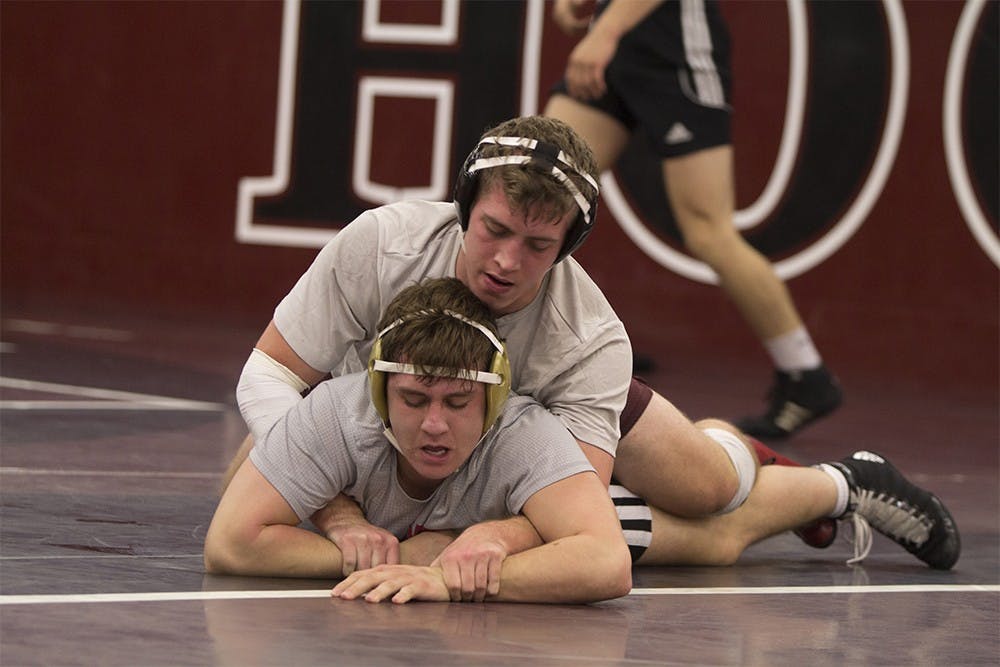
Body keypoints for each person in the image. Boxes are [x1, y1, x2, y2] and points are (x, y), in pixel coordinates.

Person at [228, 114, 787, 568]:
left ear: (568, 246)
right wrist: (339, 514)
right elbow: (269, 375)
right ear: (464, 207)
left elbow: (574, 499)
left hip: (541, 421)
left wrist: (482, 536)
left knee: (710, 488)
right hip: (391, 420)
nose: (506, 261)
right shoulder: (382, 245)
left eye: (537, 245)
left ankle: (748, 453)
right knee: (244, 483)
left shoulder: (587, 340)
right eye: (494, 229)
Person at [205, 278, 633, 604]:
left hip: (594, 443)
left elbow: (608, 562)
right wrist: (403, 559)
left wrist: (446, 579)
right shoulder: (337, 413)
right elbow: (229, 544)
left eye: (458, 402)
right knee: (251, 461)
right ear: (379, 392)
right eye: (413, 400)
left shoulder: (523, 434)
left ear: (494, 397)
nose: (434, 425)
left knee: (659, 513)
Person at [546, 0, 843, 439]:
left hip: (676, 51)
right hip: (619, 47)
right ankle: (567, 343)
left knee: (708, 230)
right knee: (546, 188)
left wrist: (605, 31)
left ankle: (805, 375)